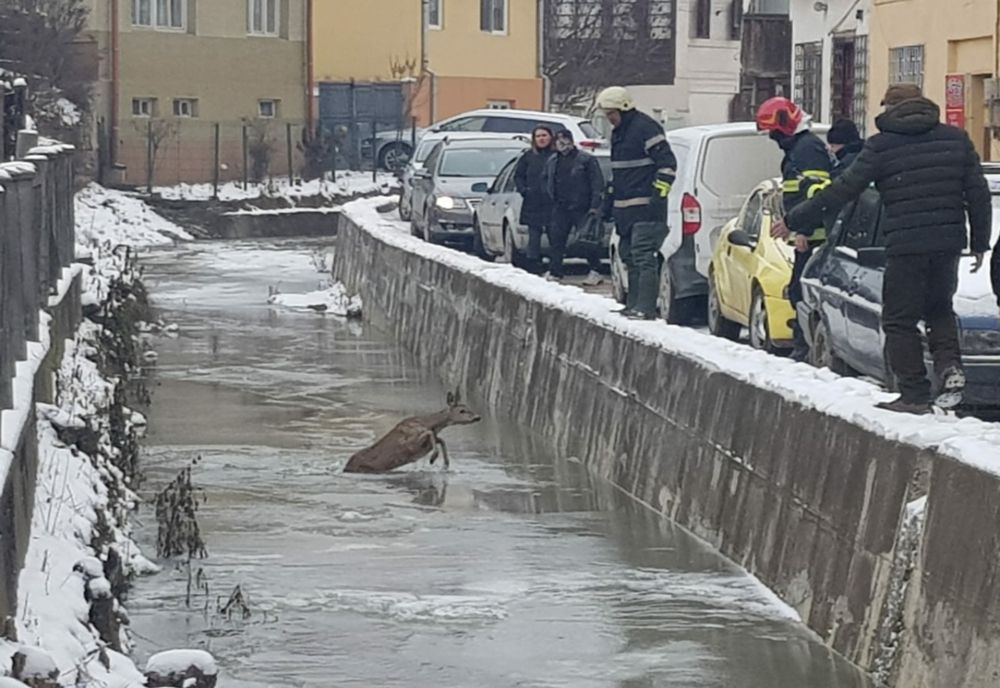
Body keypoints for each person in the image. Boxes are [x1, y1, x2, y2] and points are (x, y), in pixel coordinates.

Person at [775, 83, 993, 415]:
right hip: (947, 242)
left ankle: (915, 393)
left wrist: (794, 219)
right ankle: (949, 367)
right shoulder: (955, 139)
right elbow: (977, 192)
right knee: (939, 309)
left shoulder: (881, 146)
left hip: (906, 244)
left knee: (899, 319)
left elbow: (843, 190)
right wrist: (979, 242)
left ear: (890, 108)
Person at [756, 96, 836, 361]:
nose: (772, 138)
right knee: (798, 290)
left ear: (786, 126)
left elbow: (817, 194)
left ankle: (805, 349)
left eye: (774, 132)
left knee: (802, 293)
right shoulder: (801, 148)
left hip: (814, 236)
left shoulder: (806, 150)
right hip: (807, 233)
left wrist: (804, 229)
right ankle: (804, 345)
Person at [596, 86, 677, 320]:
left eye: (611, 113)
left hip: (647, 210)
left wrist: (658, 196)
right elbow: (618, 175)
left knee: (642, 256)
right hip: (625, 211)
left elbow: (667, 166)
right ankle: (633, 305)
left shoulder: (645, 128)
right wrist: (607, 203)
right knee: (628, 255)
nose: (609, 119)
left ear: (623, 108)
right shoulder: (620, 134)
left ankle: (645, 307)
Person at [542, 129, 605, 281]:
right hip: (560, 206)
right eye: (558, 141)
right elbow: (545, 180)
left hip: (582, 206)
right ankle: (555, 271)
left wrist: (594, 206)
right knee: (556, 239)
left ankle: (596, 269)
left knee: (587, 240)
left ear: (571, 141)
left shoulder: (586, 159)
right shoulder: (553, 161)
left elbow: (597, 183)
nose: (561, 144)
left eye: (564, 141)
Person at [513, 125, 556, 273]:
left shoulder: (556, 155)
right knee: (534, 236)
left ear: (551, 137)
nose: (541, 139)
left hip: (553, 202)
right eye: (538, 136)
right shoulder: (528, 156)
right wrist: (524, 190)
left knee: (554, 234)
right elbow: (518, 176)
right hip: (533, 201)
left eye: (544, 135)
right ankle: (533, 265)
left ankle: (555, 265)